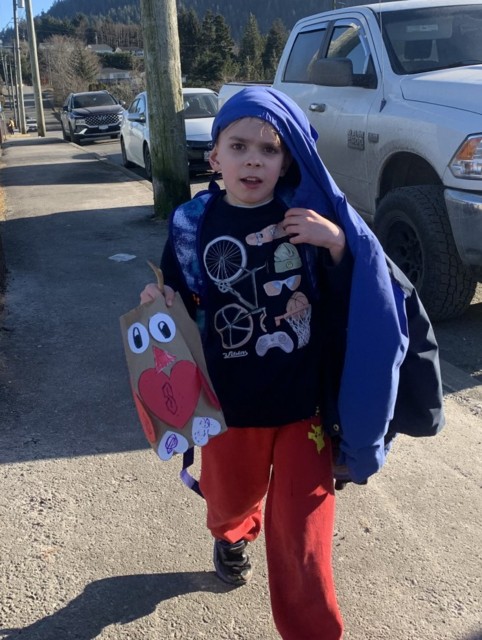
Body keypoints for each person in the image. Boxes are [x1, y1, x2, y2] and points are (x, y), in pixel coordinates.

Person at [140, 87, 443, 639]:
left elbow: (356, 301)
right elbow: (179, 294)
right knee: (229, 502)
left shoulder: (309, 217)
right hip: (229, 408)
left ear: (288, 161)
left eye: (269, 149)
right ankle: (232, 535)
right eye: (239, 146)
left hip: (306, 410)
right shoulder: (191, 222)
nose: (253, 160)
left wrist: (338, 246)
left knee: (304, 539)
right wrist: (158, 301)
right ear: (215, 156)